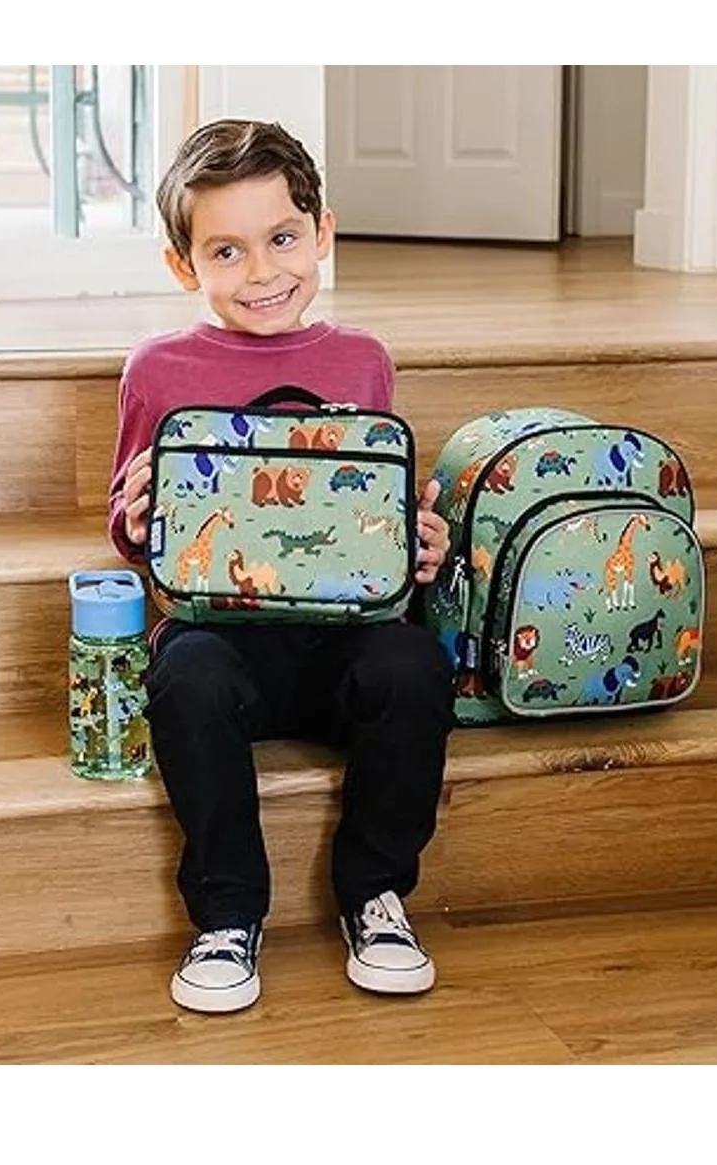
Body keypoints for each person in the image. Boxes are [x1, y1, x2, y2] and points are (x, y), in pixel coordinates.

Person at [107, 119, 454, 1014]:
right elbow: (132, 521)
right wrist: (135, 520)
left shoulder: (362, 361)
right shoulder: (158, 370)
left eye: (283, 239)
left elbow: (376, 514)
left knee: (415, 665)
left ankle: (375, 894)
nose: (262, 272)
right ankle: (227, 913)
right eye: (226, 251)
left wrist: (421, 542)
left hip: (345, 642)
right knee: (184, 674)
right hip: (222, 638)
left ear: (323, 233)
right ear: (183, 264)